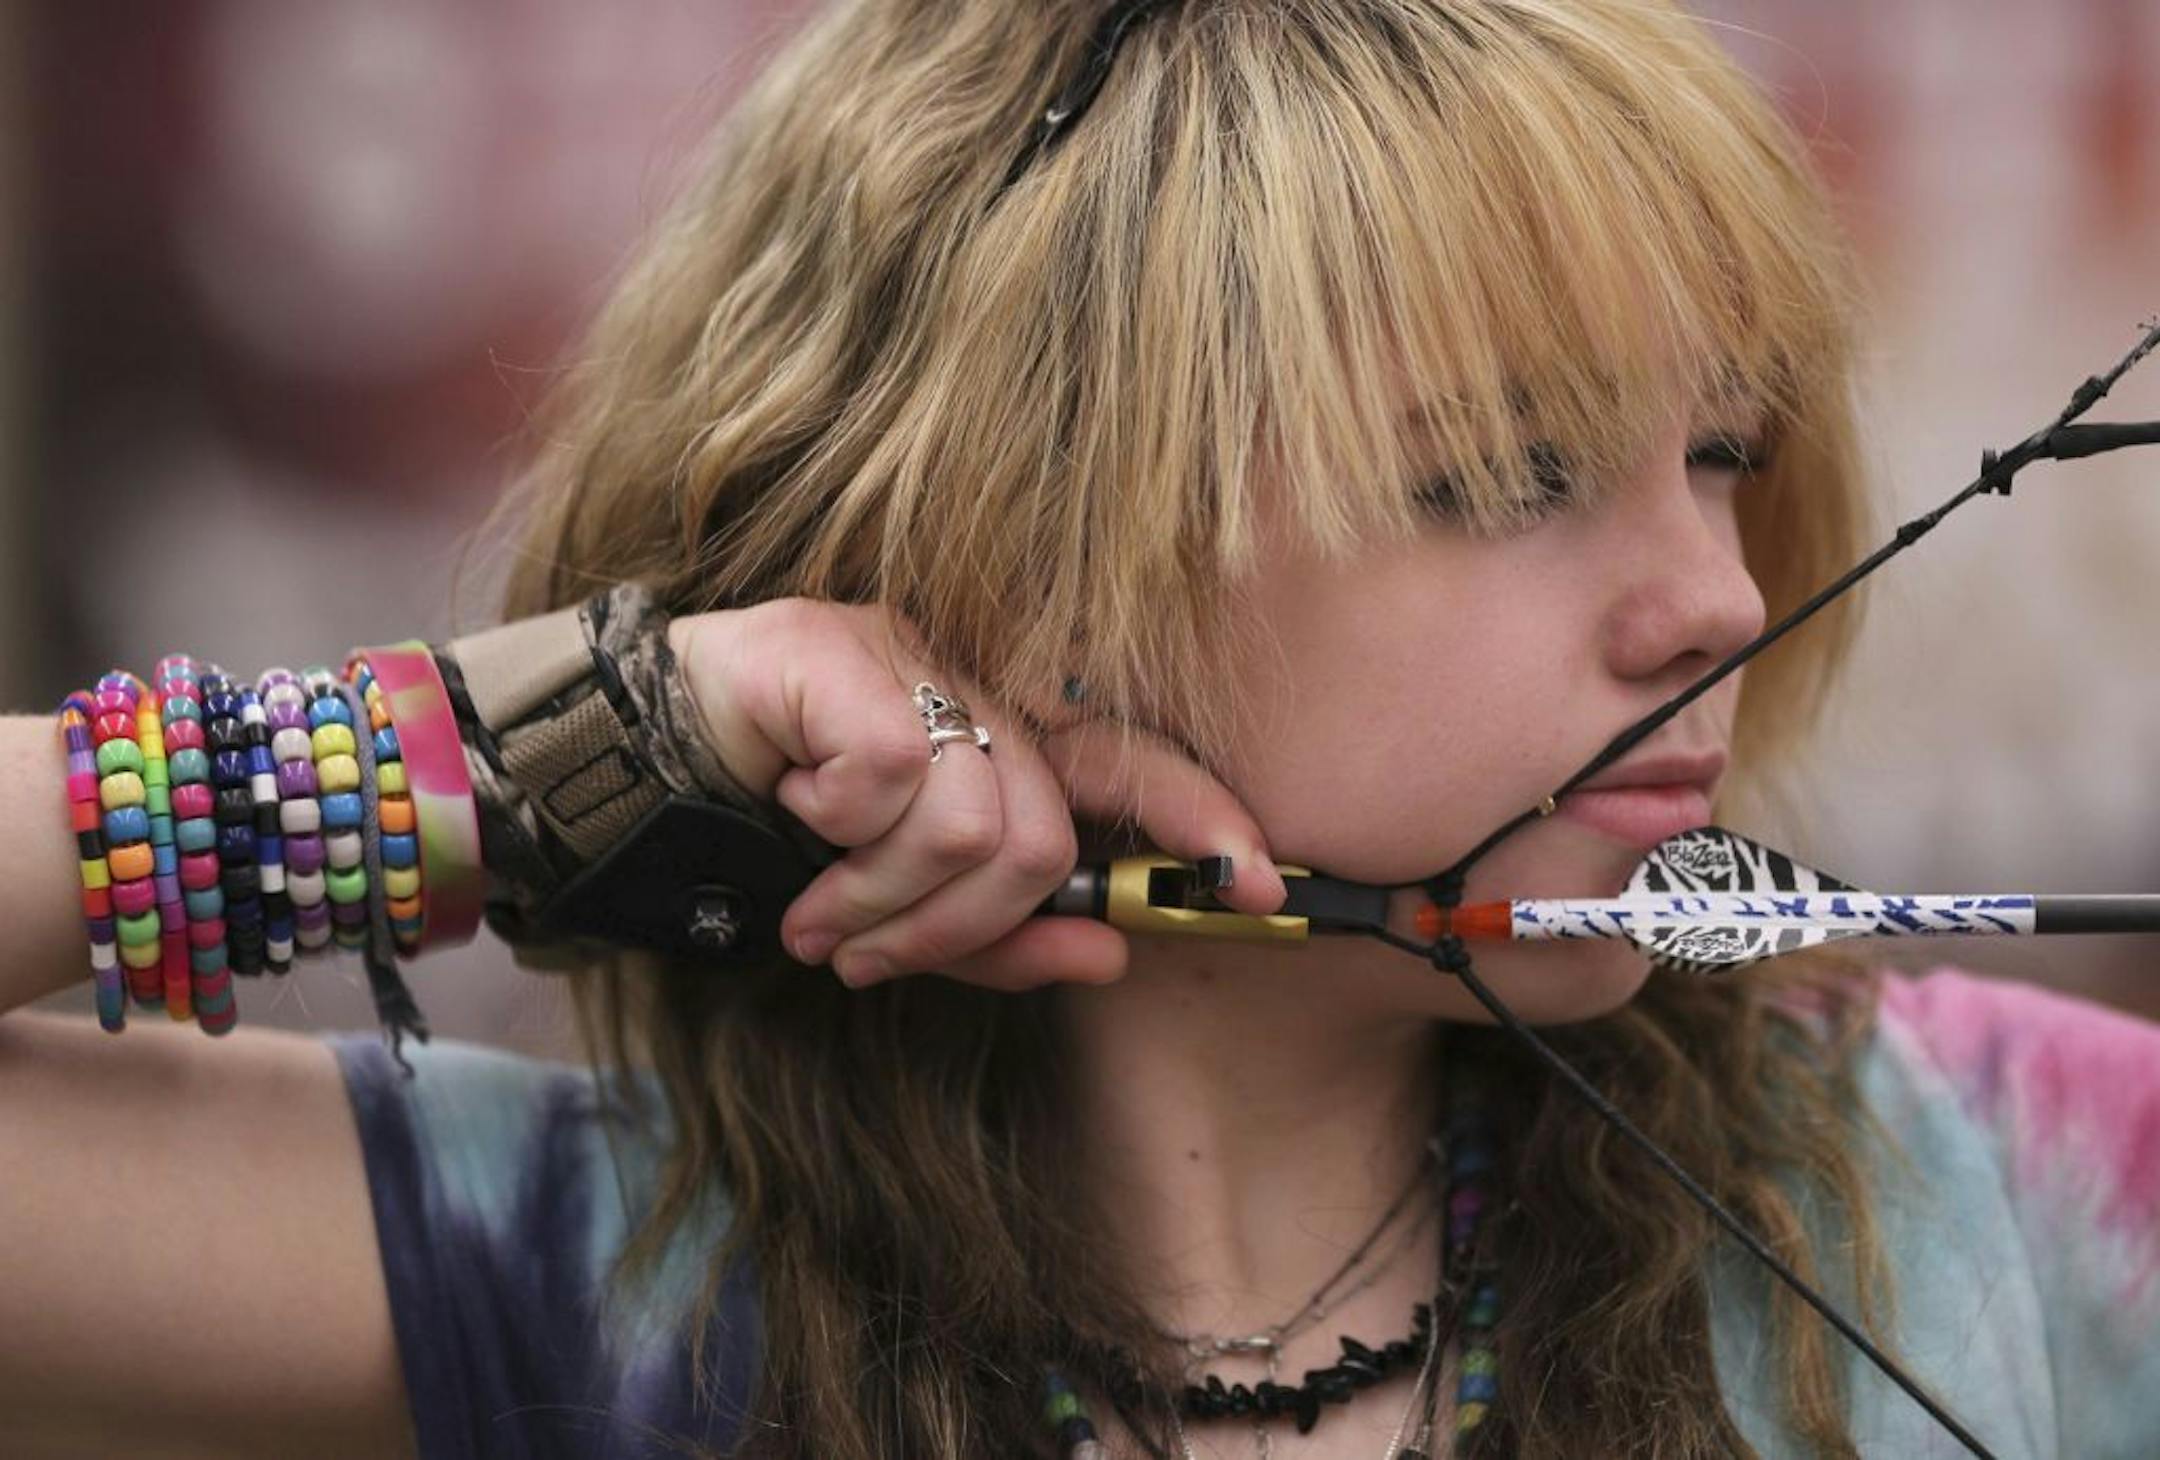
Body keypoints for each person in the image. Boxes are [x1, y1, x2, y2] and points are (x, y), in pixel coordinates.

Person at [3, 0, 2157, 1456]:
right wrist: (587, 732)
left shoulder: (1990, 1180)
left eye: (1724, 451)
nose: (1717, 592)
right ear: (1039, 584)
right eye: (1507, 472)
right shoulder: (615, 1274)